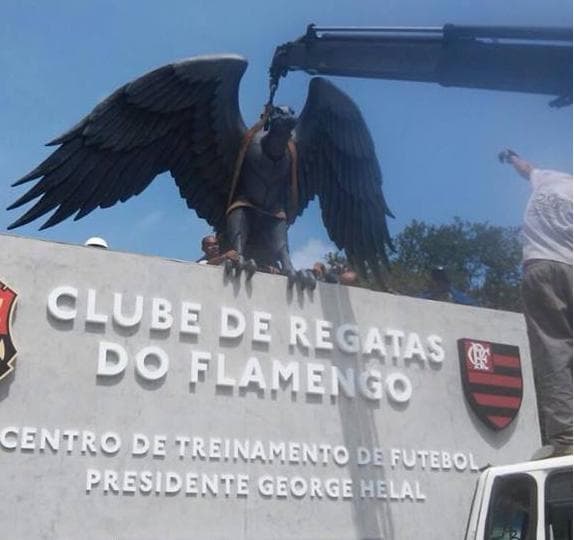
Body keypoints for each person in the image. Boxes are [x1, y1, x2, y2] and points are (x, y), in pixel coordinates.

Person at [499, 149, 573, 458]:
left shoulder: (551, 178)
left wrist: (510, 157)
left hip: (541, 267)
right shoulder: (553, 178)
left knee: (553, 351)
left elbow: (526, 168)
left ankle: (566, 439)